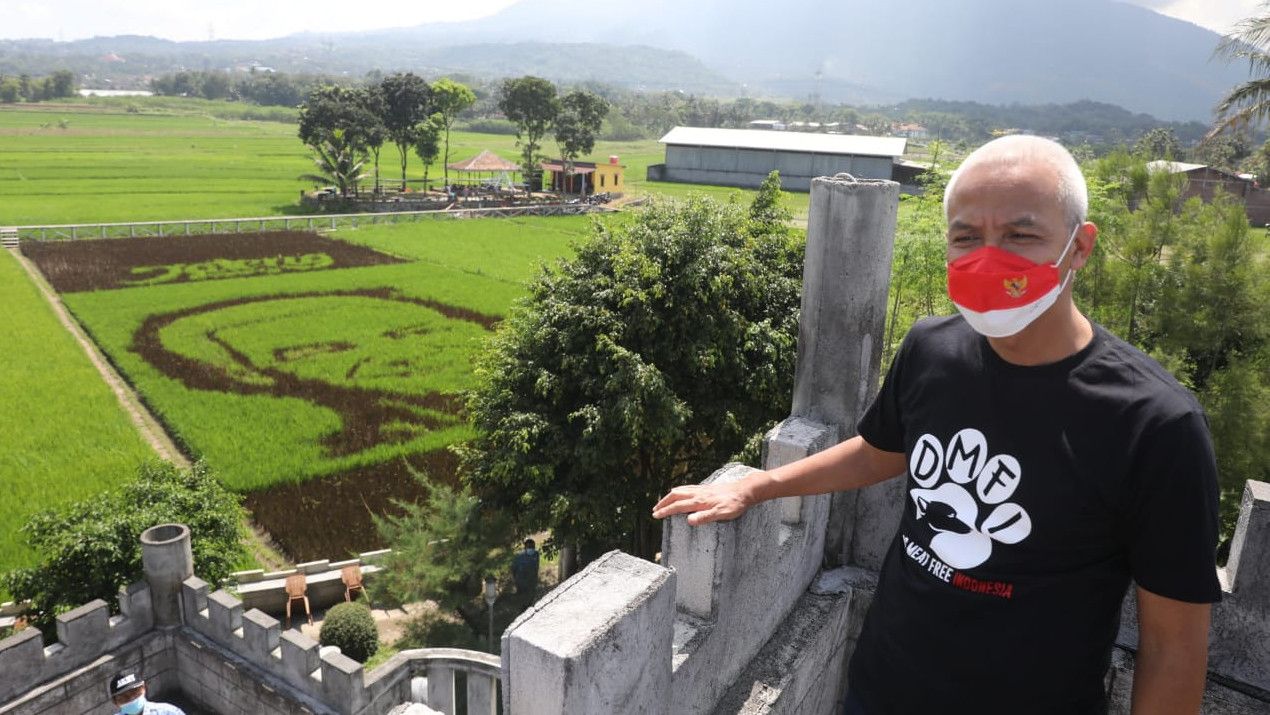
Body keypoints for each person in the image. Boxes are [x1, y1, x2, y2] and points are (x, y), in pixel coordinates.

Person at [652, 135, 1220, 714]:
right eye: (967, 237)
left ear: (1080, 247)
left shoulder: (1155, 425)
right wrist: (757, 486)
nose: (989, 256)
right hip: (883, 687)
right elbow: (881, 452)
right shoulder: (932, 350)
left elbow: (1173, 647)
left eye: (1020, 235)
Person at [108, 670, 185, 715]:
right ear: (115, 702)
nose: (131, 698)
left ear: (144, 688)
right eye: (124, 697)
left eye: (135, 692)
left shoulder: (168, 712)